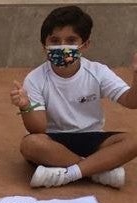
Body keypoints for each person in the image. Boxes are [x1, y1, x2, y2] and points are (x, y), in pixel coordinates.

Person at [12, 5, 137, 189]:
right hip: (54, 141)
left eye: (71, 40)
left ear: (85, 44)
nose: (62, 46)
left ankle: (69, 173)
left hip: (92, 137)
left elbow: (131, 101)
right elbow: (37, 128)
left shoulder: (98, 72)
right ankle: (97, 170)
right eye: (55, 41)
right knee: (30, 144)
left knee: (134, 140)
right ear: (44, 46)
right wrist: (25, 106)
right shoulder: (35, 78)